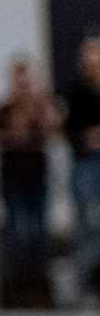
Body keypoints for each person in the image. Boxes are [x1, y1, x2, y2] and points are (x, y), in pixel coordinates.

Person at [0, 57, 61, 303]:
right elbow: (5, 137)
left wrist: (40, 105)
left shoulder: (41, 108)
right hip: (13, 181)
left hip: (37, 179)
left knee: (37, 232)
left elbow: (54, 130)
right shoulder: (4, 109)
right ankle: (18, 287)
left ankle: (38, 285)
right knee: (16, 233)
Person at [66, 34, 100, 302]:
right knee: (87, 222)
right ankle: (85, 285)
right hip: (87, 163)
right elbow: (69, 131)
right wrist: (86, 138)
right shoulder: (77, 92)